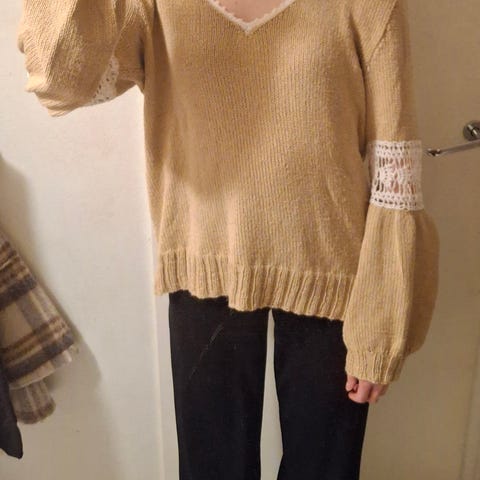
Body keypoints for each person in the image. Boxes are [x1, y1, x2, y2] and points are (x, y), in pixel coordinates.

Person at [16, 0, 440, 478]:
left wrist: (380, 326)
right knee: (211, 469)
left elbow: (395, 169)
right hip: (203, 270)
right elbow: (58, 80)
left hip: (334, 279)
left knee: (325, 468)